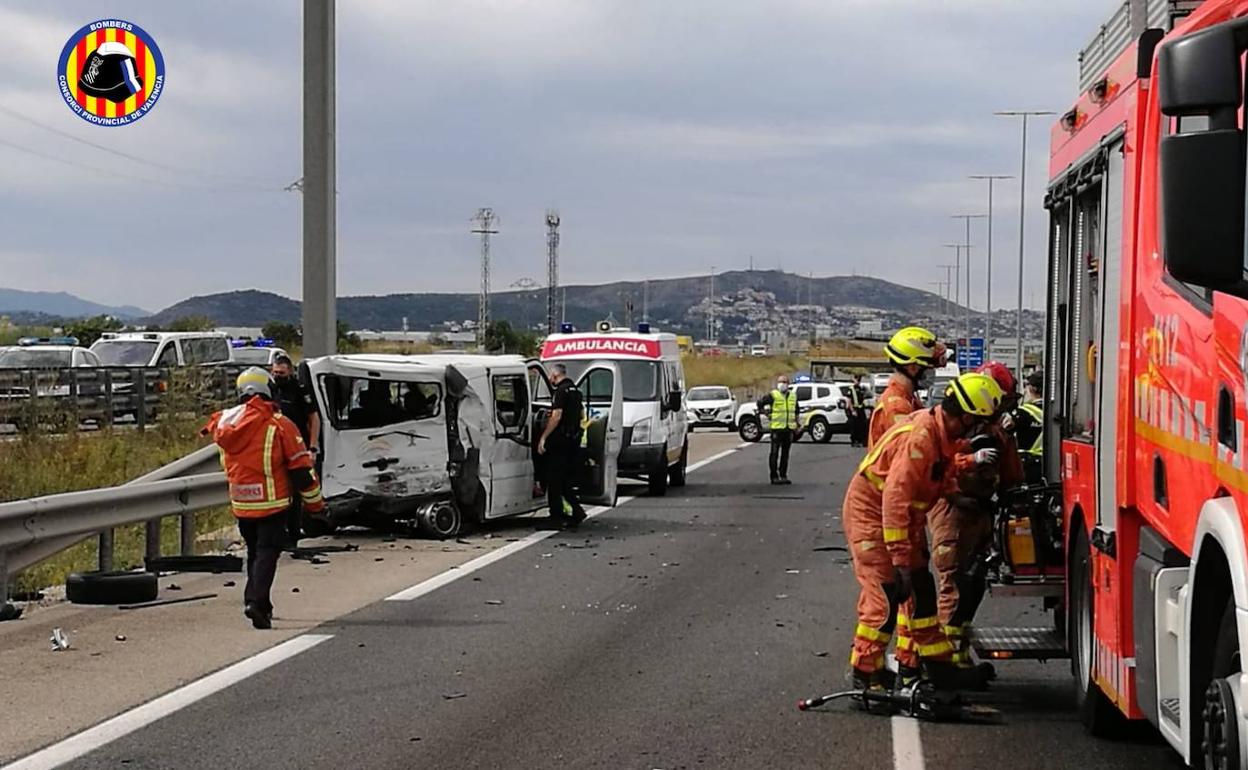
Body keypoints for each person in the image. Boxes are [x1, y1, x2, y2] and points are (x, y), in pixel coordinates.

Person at [841, 372, 1003, 697]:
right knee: (885, 597)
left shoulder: (940, 434)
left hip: (904, 520)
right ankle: (864, 673)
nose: (978, 431)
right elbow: (895, 498)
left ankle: (939, 669)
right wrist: (901, 559)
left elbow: (935, 476)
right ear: (968, 417)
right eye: (980, 423)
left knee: (922, 594)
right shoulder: (922, 438)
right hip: (873, 516)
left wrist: (960, 485)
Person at [204, 368, 326, 629]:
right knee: (268, 553)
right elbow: (300, 470)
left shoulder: (226, 423)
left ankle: (262, 604)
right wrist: (316, 505)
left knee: (255, 553)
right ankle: (256, 603)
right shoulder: (279, 424)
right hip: (273, 503)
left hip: (241, 504)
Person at [928, 361, 1024, 670]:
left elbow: (1012, 476)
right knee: (953, 585)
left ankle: (958, 655)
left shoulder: (995, 430)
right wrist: (971, 460)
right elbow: (938, 469)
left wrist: (1005, 440)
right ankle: (942, 663)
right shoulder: (952, 429)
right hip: (953, 510)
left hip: (981, 512)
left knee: (973, 585)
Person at [869, 326, 948, 449]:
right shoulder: (897, 407)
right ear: (912, 367)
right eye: (930, 368)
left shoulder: (908, 398)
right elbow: (913, 451)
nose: (932, 374)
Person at [270, 354, 321, 544]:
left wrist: (313, 447)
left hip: (298, 448)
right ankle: (281, 533)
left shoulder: (299, 390)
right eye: (275, 372)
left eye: (281, 373)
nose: (277, 376)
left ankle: (295, 532)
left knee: (299, 491)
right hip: (275, 449)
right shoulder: (271, 390)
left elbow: (313, 418)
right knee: (280, 492)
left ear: (290, 371)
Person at [537, 363, 588, 528]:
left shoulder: (560, 391)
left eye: (550, 376)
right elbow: (580, 414)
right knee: (564, 480)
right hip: (572, 440)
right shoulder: (575, 391)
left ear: (554, 375)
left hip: (560, 442)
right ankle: (577, 511)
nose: (550, 379)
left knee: (554, 480)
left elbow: (557, 417)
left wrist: (544, 437)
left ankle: (555, 517)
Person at [757, 375, 799, 484]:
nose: (782, 384)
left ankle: (783, 475)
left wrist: (797, 425)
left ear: (788, 384)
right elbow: (760, 403)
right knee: (774, 453)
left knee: (785, 454)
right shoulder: (773, 395)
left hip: (788, 429)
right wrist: (766, 414)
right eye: (780, 382)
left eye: (784, 382)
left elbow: (796, 411)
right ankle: (774, 476)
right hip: (776, 429)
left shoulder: (793, 396)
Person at [847, 373, 869, 448]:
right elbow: (849, 400)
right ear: (854, 379)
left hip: (861, 409)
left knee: (862, 425)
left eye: (859, 380)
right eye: (857, 379)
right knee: (854, 426)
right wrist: (852, 410)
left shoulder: (860, 388)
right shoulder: (851, 389)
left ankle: (861, 441)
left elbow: (863, 398)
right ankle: (854, 441)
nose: (858, 381)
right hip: (855, 409)